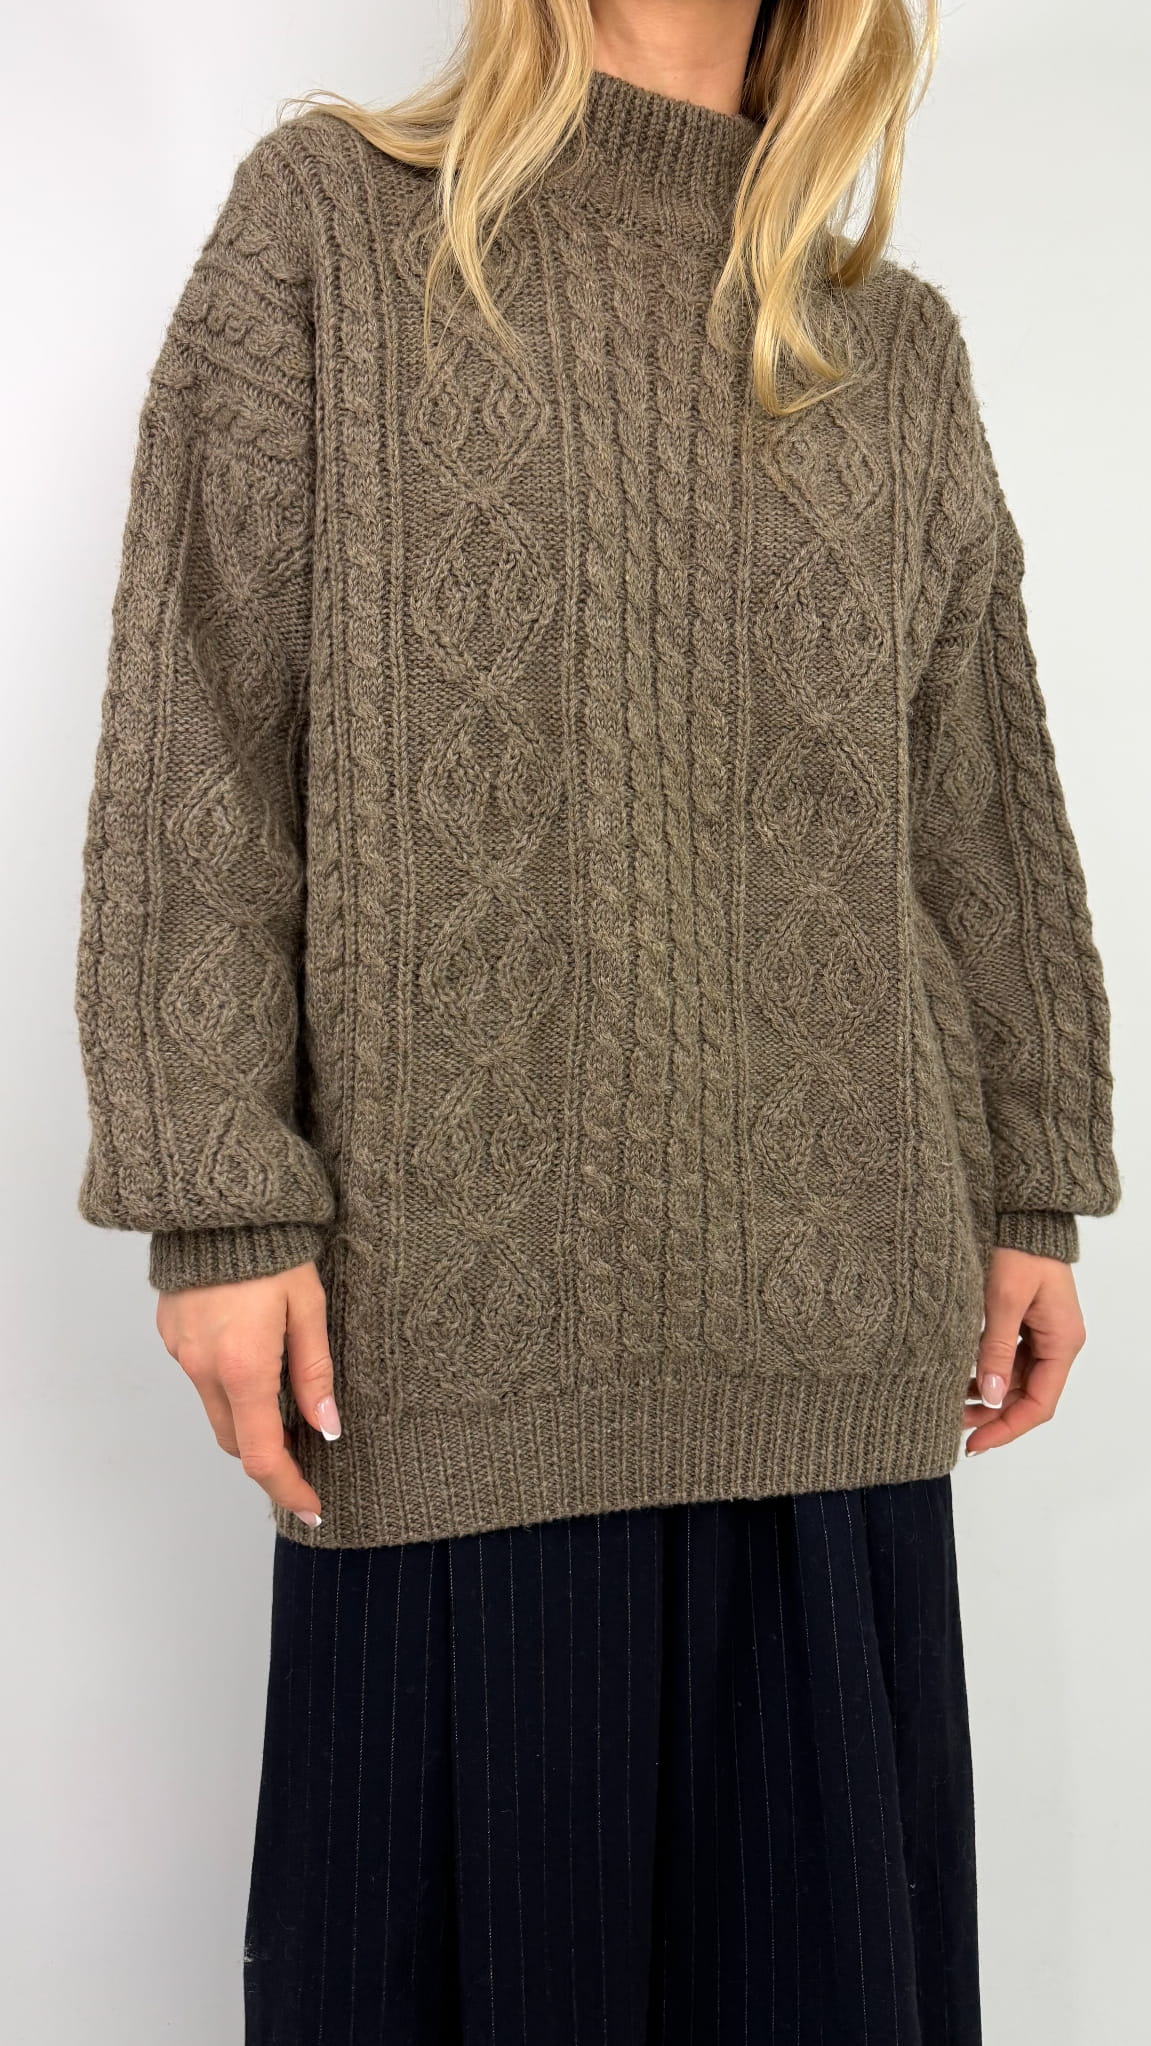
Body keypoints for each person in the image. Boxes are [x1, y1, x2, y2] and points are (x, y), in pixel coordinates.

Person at [72, 0, 1123, 2039]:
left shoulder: (890, 342)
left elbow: (970, 811)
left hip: (830, 1342)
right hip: (447, 1343)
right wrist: (218, 1191)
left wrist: (1032, 1185)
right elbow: (200, 728)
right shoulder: (334, 228)